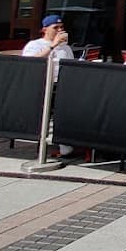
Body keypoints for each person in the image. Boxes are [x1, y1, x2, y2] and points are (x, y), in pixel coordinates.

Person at [22, 15, 75, 156]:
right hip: (43, 84)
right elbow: (30, 63)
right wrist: (53, 46)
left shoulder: (66, 48)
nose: (59, 30)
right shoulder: (35, 45)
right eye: (55, 27)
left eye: (61, 27)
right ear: (45, 29)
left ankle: (68, 142)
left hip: (64, 85)